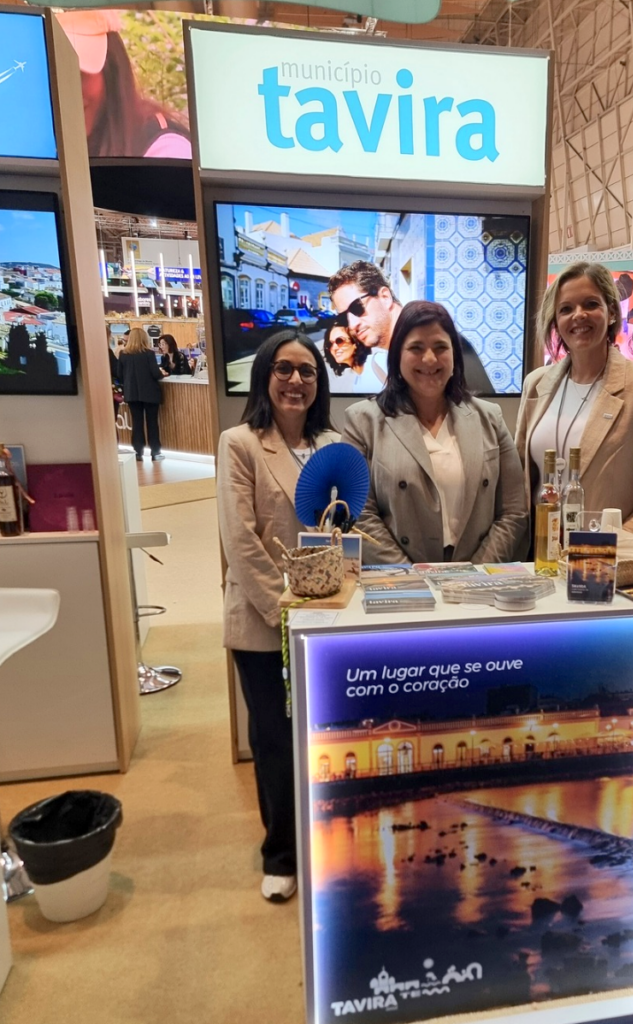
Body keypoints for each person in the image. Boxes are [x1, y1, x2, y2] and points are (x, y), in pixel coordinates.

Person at [215, 329, 339, 903]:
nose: (296, 381)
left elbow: (345, 528)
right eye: (284, 369)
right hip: (266, 621)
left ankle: (324, 845)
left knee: (324, 738)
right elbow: (239, 541)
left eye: (308, 371)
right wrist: (284, 611)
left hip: (329, 616)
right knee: (275, 740)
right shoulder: (239, 443)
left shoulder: (333, 444)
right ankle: (281, 853)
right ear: (265, 376)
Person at [342, 300, 527, 564]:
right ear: (397, 355)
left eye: (440, 347)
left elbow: (513, 511)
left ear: (455, 355)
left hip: (477, 577)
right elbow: (359, 514)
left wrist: (474, 575)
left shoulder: (490, 418)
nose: (429, 359)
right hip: (399, 579)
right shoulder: (362, 421)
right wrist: (411, 576)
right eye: (416, 348)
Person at [515, 262, 633, 543]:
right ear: (555, 320)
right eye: (566, 309)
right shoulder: (536, 384)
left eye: (591, 304)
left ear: (611, 312)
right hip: (538, 556)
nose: (579, 315)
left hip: (607, 558)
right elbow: (519, 477)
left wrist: (619, 543)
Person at [328, 261, 494, 394]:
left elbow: (482, 415)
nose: (352, 324)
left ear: (385, 297)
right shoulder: (379, 363)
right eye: (343, 317)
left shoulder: (445, 344)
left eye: (357, 308)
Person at [58, 10, 192, 159]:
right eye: (55, 76)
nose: (67, 92)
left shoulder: (166, 150)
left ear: (111, 73)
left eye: (79, 75)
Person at [119, 327, 167, 461]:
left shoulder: (123, 354)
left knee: (137, 423)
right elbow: (155, 373)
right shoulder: (148, 354)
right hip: (150, 393)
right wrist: (162, 374)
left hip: (131, 394)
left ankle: (138, 452)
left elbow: (119, 375)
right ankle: (155, 452)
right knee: (152, 423)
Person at [322, 322, 383, 394]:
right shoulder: (356, 386)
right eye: (329, 344)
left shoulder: (379, 360)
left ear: (355, 342)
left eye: (339, 341)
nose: (334, 348)